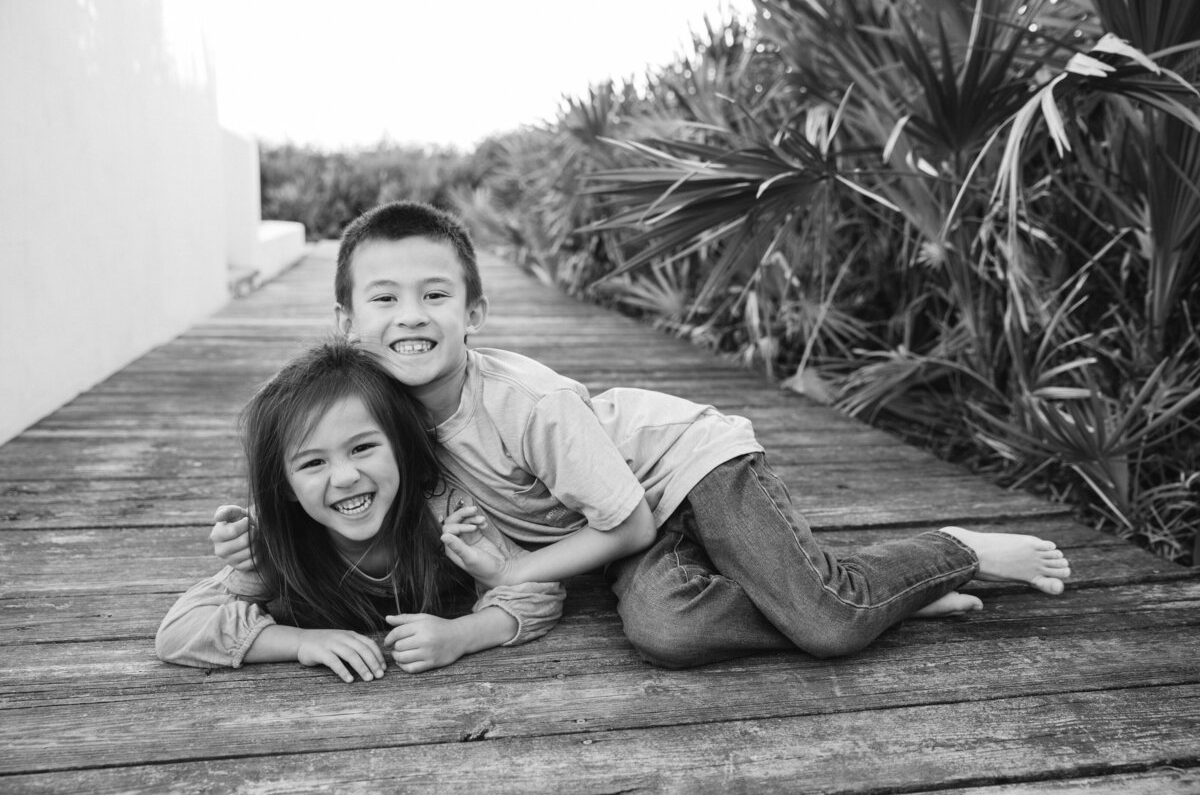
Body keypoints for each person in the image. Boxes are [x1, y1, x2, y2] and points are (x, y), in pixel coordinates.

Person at [213, 200, 1071, 669]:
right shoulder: (379, 416)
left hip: (684, 470)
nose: (411, 316)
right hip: (612, 529)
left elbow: (624, 522)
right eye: (385, 298)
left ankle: (943, 553)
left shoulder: (529, 401)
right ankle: (877, 598)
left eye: (435, 294)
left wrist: (515, 571)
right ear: (345, 318)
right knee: (669, 636)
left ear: (473, 310)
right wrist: (260, 539)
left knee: (832, 628)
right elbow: (318, 466)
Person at [157, 340, 564, 682]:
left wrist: (461, 635)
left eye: (363, 447)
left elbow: (540, 590)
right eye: (313, 463)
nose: (346, 476)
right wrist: (301, 642)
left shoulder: (447, 511)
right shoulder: (279, 542)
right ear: (287, 489)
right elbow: (179, 630)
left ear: (402, 450)